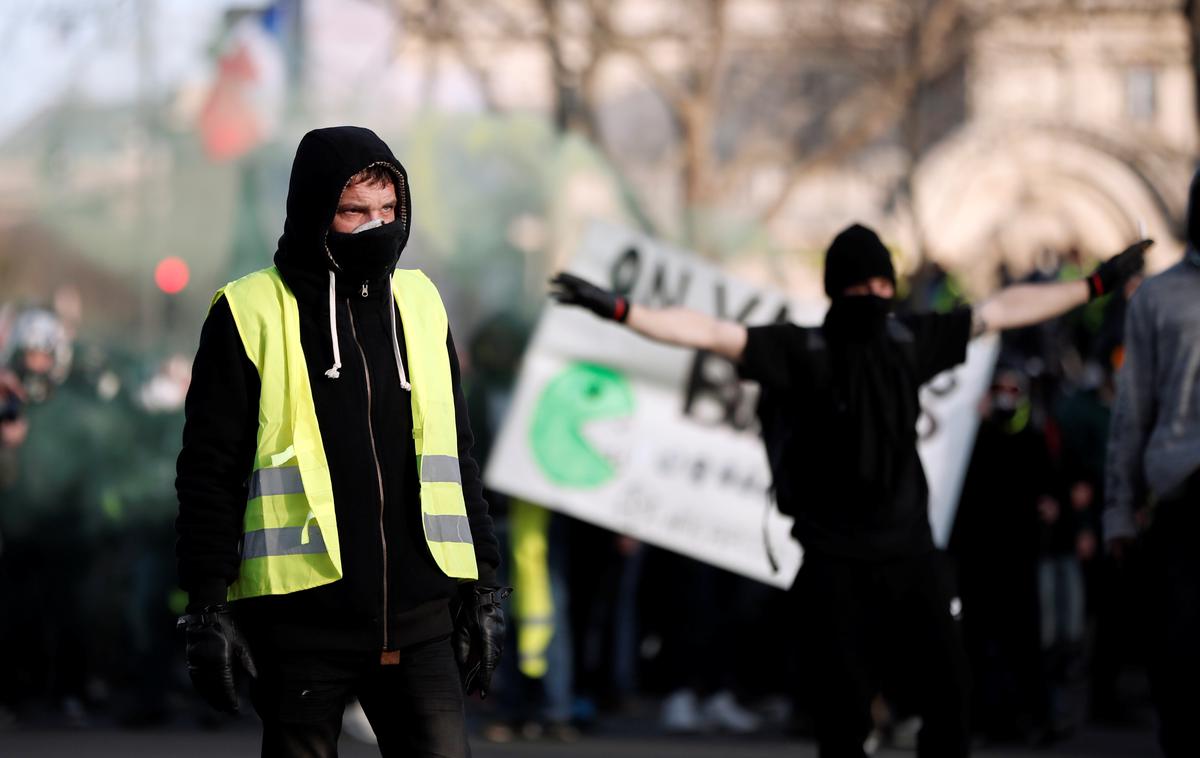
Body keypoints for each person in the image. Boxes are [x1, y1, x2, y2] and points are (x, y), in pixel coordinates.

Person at [550, 223, 1148, 758]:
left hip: (836, 568)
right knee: (947, 705)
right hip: (907, 562)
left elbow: (705, 332)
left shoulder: (799, 347)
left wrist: (624, 310)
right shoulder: (907, 340)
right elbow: (1004, 309)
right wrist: (1093, 284)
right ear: (886, 285)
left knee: (845, 724)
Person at [175, 126, 508, 758]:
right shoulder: (247, 310)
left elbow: (457, 454)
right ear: (312, 211)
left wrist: (484, 583)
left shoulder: (422, 301)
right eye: (355, 211)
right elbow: (208, 472)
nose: (377, 226)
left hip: (422, 620)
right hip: (303, 629)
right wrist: (206, 607)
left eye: (389, 210)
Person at [1105, 173, 1200, 758]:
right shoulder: (1160, 298)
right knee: (1183, 670)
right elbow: (1132, 411)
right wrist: (1118, 510)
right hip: (1184, 504)